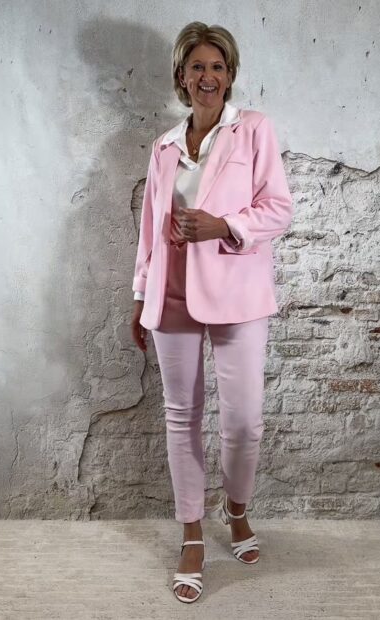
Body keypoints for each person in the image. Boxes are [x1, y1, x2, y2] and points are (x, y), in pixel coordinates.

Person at [131, 21, 293, 604]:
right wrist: (140, 295)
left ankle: (237, 510)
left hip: (237, 292)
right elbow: (150, 229)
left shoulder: (254, 130)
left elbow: (278, 208)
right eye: (197, 66)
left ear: (230, 75)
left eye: (218, 67)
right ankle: (192, 535)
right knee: (182, 417)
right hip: (171, 291)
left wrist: (224, 225)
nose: (208, 76)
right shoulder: (164, 147)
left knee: (244, 421)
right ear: (181, 76)